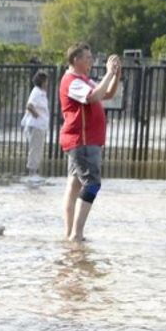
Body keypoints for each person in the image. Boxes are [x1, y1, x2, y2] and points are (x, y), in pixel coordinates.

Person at [60, 43, 121, 241]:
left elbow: (107, 93)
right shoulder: (72, 81)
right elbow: (93, 97)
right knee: (92, 184)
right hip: (83, 142)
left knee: (74, 186)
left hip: (84, 141)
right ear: (76, 60)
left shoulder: (83, 80)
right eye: (87, 57)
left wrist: (115, 74)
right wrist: (109, 73)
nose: (91, 61)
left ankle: (70, 234)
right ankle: (76, 234)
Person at [21, 70, 50, 179]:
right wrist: (37, 116)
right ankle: (32, 173)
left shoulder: (41, 93)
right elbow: (29, 105)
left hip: (40, 126)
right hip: (36, 125)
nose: (47, 83)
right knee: (35, 149)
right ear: (42, 81)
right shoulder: (36, 92)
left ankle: (34, 172)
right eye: (46, 81)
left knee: (38, 149)